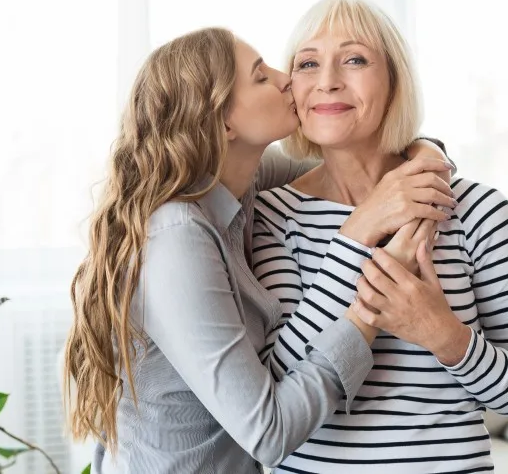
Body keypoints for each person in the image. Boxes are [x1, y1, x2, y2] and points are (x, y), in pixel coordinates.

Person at [64, 27, 454, 473]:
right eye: (261, 76)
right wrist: (369, 301)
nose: (285, 77)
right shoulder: (176, 236)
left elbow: (358, 165)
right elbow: (268, 433)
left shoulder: (238, 180)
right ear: (224, 123)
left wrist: (425, 153)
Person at [253, 0, 507, 473]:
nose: (327, 81)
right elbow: (276, 389)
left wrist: (445, 336)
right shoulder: (271, 215)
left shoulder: (478, 212)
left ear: (395, 82)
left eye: (354, 59)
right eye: (307, 63)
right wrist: (358, 232)